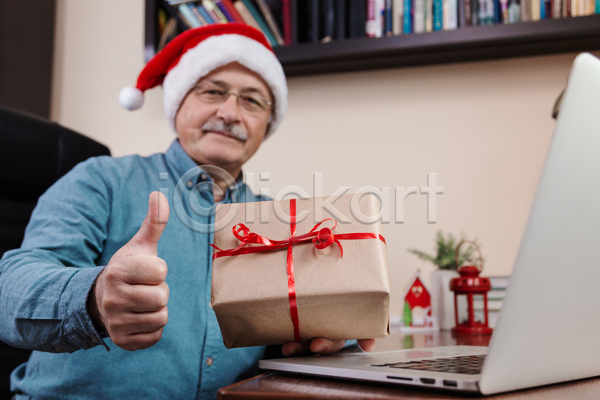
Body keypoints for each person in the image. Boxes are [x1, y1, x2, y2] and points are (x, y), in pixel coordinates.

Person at [0, 24, 373, 399]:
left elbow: (282, 339)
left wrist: (326, 332)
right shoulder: (101, 179)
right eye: (212, 91)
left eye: (252, 101)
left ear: (267, 123)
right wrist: (94, 298)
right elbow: (9, 290)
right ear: (178, 103)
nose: (229, 112)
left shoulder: (276, 219)